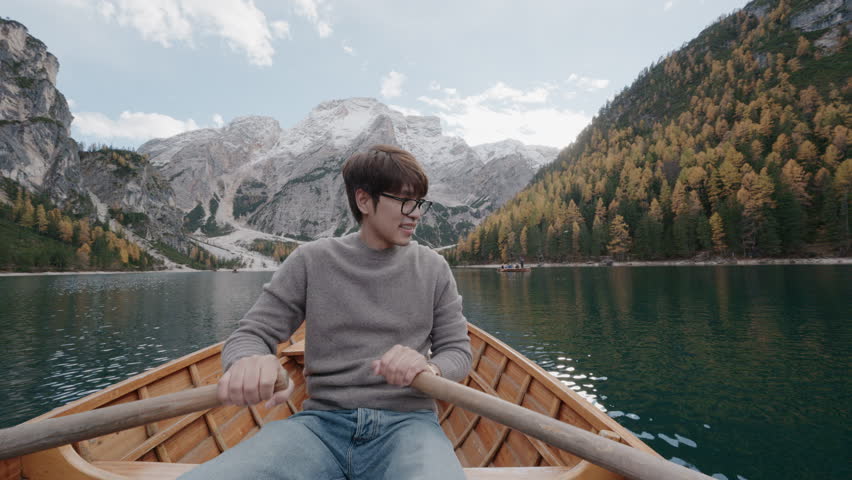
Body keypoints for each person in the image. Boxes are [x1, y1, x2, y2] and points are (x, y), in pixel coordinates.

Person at [179, 145, 472, 480]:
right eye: (405, 201)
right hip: (320, 428)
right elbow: (251, 335)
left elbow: (458, 351)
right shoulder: (312, 260)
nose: (416, 213)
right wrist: (247, 360)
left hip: (409, 426)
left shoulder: (433, 267)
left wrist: (430, 368)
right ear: (364, 200)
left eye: (419, 202)